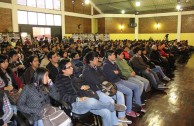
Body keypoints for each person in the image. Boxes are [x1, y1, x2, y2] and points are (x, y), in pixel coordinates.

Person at [55, 59, 127, 126]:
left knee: (106, 112)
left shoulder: (73, 77)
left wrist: (85, 86)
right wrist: (77, 99)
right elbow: (63, 96)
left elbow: (83, 83)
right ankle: (112, 106)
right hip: (75, 104)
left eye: (72, 66)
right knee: (92, 101)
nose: (72, 68)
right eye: (69, 67)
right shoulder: (59, 81)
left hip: (85, 99)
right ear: (63, 70)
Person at [82, 51, 132, 125]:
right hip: (95, 91)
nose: (97, 60)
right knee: (110, 101)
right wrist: (101, 78)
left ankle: (121, 117)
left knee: (120, 95)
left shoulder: (96, 67)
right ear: (90, 60)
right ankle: (115, 122)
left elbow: (104, 77)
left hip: (103, 88)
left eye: (97, 58)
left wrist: (101, 78)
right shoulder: (87, 70)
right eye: (95, 58)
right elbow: (97, 81)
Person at [103, 50, 145, 117]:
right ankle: (128, 111)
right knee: (129, 91)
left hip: (120, 80)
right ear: (109, 56)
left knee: (136, 87)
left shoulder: (114, 63)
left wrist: (116, 72)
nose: (114, 56)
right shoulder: (106, 65)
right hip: (114, 83)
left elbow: (119, 72)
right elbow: (111, 76)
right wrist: (116, 73)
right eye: (113, 54)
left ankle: (138, 105)